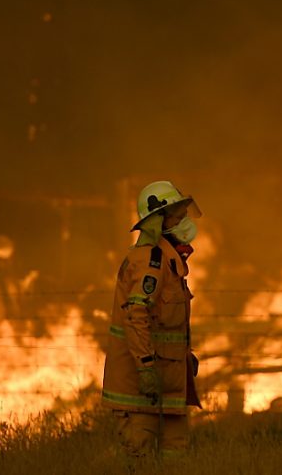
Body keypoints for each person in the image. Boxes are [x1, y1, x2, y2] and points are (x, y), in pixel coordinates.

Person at [101, 180, 203, 459]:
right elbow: (136, 316)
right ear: (159, 221)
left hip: (167, 385)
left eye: (184, 215)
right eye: (177, 216)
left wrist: (184, 356)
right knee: (139, 459)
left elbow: (164, 322)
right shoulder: (150, 261)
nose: (184, 222)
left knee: (175, 459)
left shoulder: (171, 262)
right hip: (140, 389)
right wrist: (146, 367)